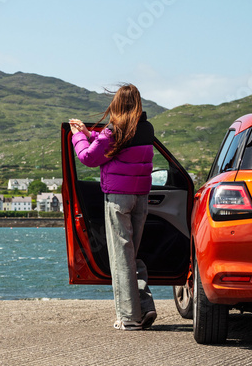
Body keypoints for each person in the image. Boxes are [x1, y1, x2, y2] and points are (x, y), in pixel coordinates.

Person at [69, 83, 157, 331]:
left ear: (117, 104)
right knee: (131, 255)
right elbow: (110, 147)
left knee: (121, 259)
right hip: (141, 198)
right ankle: (145, 306)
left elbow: (89, 157)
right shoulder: (146, 129)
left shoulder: (115, 131)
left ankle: (129, 318)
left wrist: (78, 136)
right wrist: (90, 135)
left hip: (118, 199)